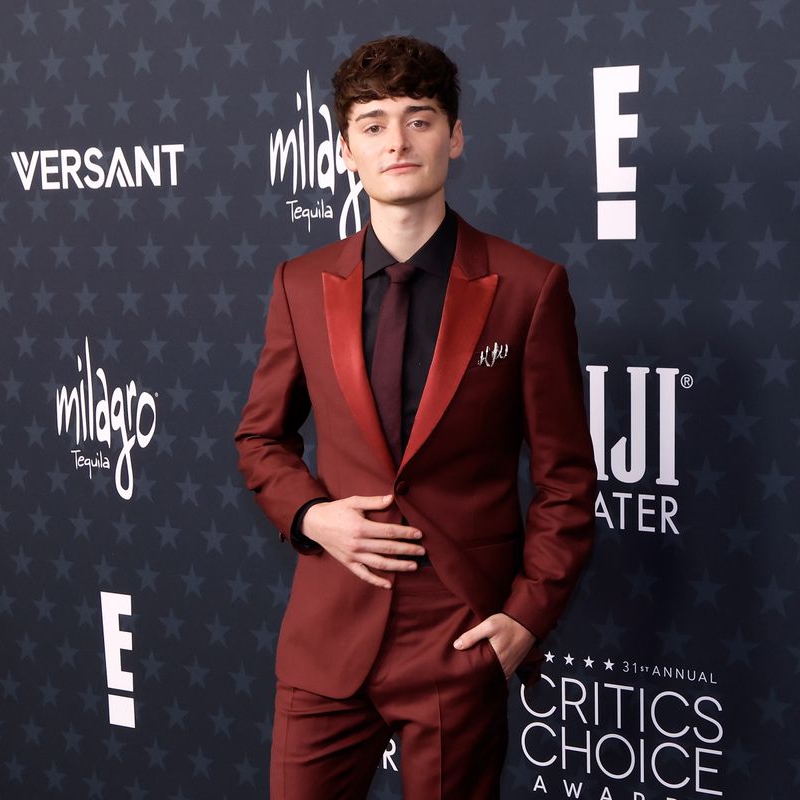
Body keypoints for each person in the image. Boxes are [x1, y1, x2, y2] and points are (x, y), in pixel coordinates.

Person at [235, 35, 595, 800]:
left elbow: (567, 483)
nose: (396, 141)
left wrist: (525, 620)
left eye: (419, 118)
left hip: (458, 636)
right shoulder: (300, 284)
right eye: (372, 124)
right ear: (345, 150)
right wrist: (313, 517)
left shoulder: (529, 289)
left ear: (456, 137)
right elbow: (261, 438)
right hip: (328, 632)